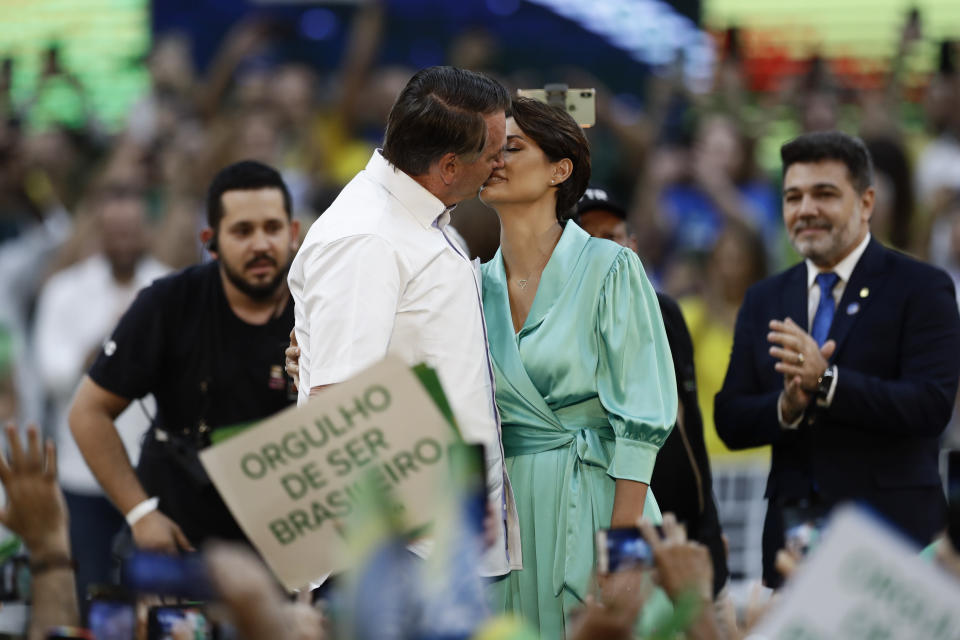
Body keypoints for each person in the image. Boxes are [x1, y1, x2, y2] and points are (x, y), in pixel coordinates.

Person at [287, 66, 520, 576]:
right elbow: (340, 413)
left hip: (439, 554)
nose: (502, 163)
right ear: (450, 166)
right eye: (494, 152)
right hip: (394, 563)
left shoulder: (425, 220)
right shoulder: (365, 239)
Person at [714, 131, 960, 587]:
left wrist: (827, 382)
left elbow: (931, 406)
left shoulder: (923, 288)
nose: (806, 209)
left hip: (895, 543)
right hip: (790, 548)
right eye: (793, 197)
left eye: (824, 194)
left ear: (866, 202)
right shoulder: (765, 297)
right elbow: (729, 418)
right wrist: (785, 408)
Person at [478, 97, 677, 636]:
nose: (493, 158)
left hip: (597, 505)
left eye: (511, 147)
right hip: (505, 525)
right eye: (488, 147)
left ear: (559, 170)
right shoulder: (468, 285)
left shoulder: (613, 267)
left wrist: (624, 559)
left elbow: (640, 431)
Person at [68, 160, 300, 552]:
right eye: (242, 231)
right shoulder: (168, 303)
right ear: (210, 241)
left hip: (290, 549)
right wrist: (140, 513)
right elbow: (87, 412)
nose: (261, 244)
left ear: (293, 233)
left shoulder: (322, 303)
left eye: (272, 228)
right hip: (182, 548)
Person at [575, 187, 729, 596]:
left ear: (633, 244)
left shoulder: (665, 313)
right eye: (587, 238)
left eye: (612, 237)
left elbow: (688, 430)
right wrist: (621, 560)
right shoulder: (562, 328)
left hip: (681, 531)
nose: (603, 249)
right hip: (616, 528)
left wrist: (710, 540)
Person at [35, 185, 169, 597]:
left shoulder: (166, 285)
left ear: (145, 230)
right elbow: (49, 374)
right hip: (82, 472)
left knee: (151, 592)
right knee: (89, 585)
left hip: (148, 472)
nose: (124, 241)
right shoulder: (65, 290)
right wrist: (105, 346)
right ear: (99, 231)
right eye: (115, 231)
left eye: (131, 230)